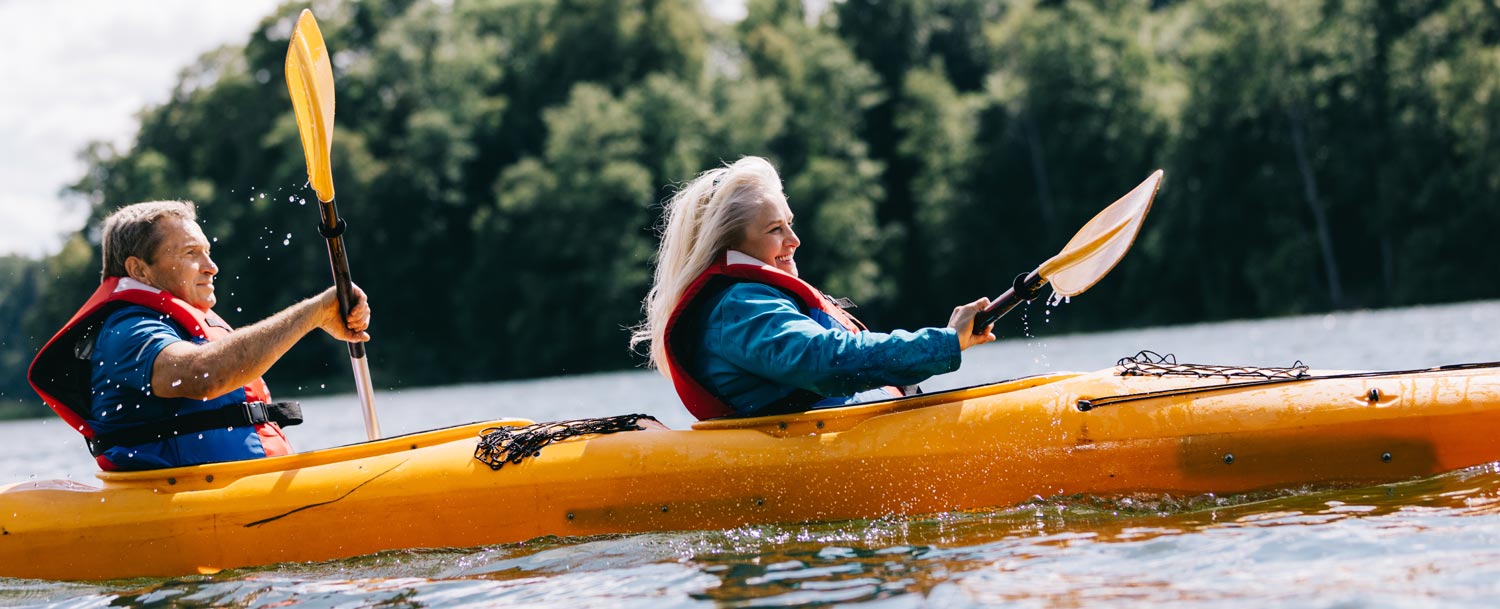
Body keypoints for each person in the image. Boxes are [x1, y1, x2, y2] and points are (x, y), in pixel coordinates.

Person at [631, 157, 996, 420]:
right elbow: (827, 360)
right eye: (775, 230)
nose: (795, 239)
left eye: (790, 223)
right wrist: (944, 341)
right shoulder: (739, 307)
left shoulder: (747, 299)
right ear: (729, 246)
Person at [28, 200, 371, 471]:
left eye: (207, 251)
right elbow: (202, 376)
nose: (211, 266)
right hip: (181, 501)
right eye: (191, 253)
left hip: (237, 486)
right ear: (139, 270)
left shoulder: (173, 322)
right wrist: (313, 313)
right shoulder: (127, 330)